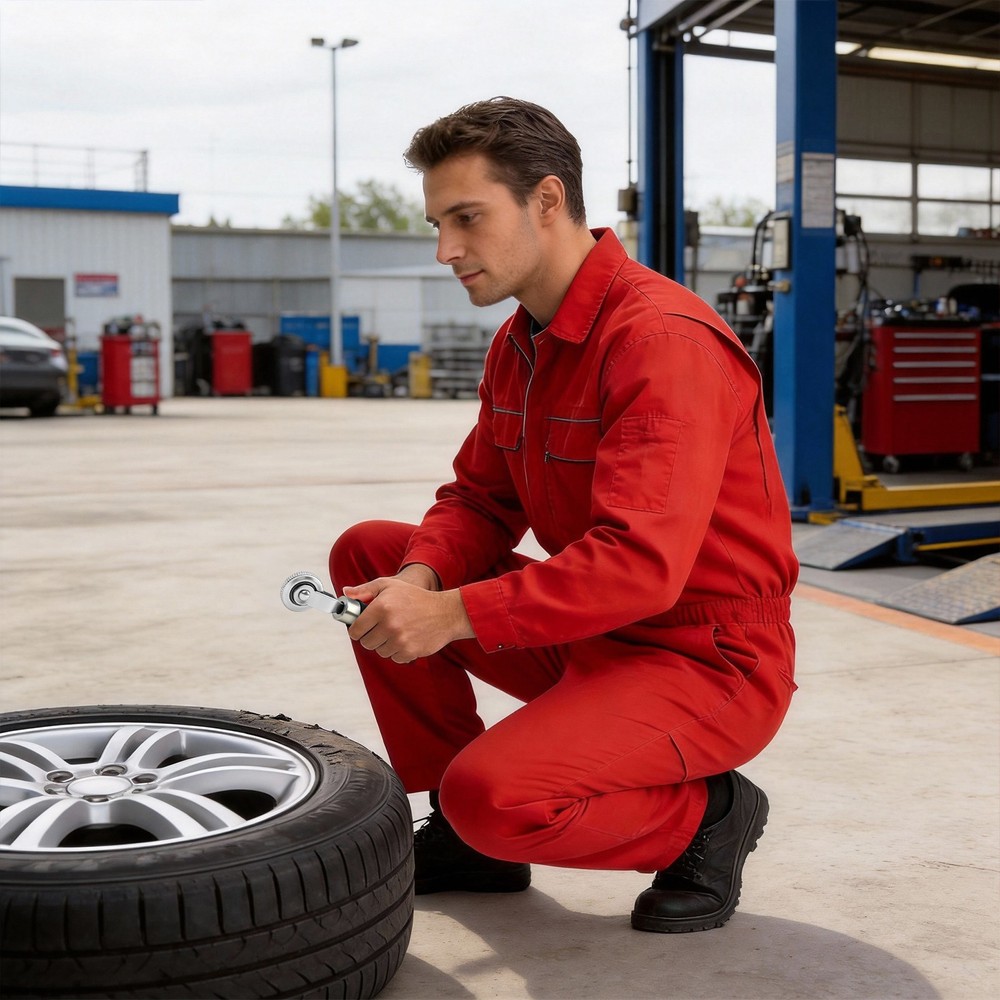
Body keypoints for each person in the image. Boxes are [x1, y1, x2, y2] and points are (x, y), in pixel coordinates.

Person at [329, 96, 797, 934]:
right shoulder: (524, 343)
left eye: (467, 218)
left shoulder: (660, 342)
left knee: (494, 795)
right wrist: (419, 582)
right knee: (375, 554)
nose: (446, 250)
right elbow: (479, 496)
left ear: (547, 200)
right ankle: (474, 845)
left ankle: (708, 817)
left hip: (706, 657)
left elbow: (640, 564)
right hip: (598, 632)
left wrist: (453, 614)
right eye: (438, 223)